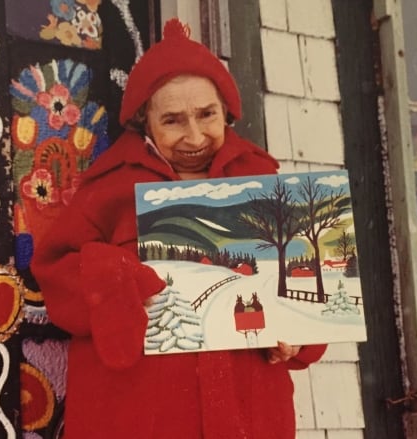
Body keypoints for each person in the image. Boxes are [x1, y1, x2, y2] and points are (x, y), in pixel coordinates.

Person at [30, 18, 327, 439]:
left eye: (207, 115)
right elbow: (55, 269)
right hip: (140, 412)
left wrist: (295, 335)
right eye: (172, 120)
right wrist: (113, 274)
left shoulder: (263, 180)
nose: (194, 135)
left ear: (226, 111)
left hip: (247, 409)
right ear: (143, 121)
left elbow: (310, 290)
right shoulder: (111, 185)